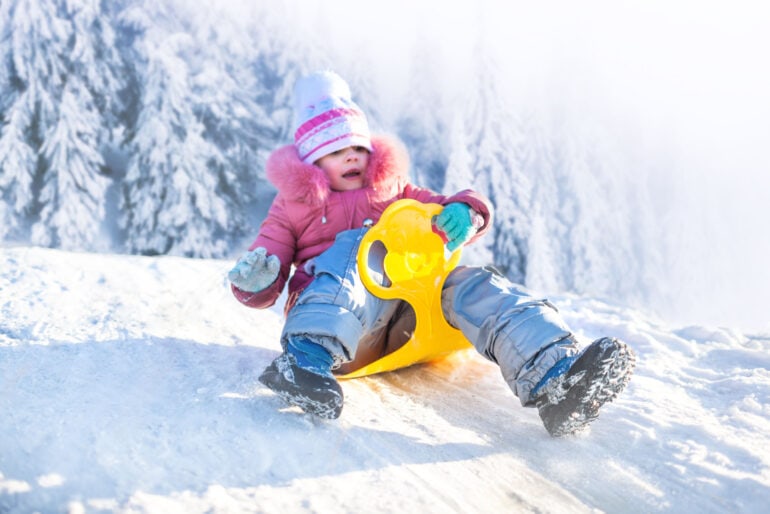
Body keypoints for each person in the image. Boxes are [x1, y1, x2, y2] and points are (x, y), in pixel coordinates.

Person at [228, 70, 635, 437]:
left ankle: (555, 380)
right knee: (353, 245)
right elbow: (269, 263)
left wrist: (466, 210)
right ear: (313, 163)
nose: (351, 156)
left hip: (411, 317)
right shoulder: (292, 207)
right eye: (336, 152)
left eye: (358, 148)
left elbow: (445, 204)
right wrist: (257, 279)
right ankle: (302, 364)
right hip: (341, 334)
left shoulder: (395, 189)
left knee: (473, 283)